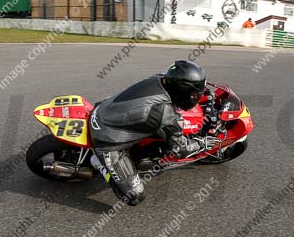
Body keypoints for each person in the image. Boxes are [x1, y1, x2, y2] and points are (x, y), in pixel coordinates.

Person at [89, 60, 218, 206]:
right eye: (194, 94)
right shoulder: (163, 113)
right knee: (135, 196)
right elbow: (180, 149)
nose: (196, 97)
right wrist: (203, 144)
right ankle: (97, 161)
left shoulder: (160, 79)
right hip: (106, 139)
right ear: (183, 91)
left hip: (105, 107)